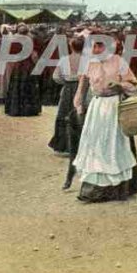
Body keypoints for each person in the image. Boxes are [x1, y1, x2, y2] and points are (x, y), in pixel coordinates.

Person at [72, 39, 137, 202]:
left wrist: (120, 84)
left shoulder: (119, 61)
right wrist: (78, 104)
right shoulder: (88, 63)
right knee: (95, 145)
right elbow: (82, 86)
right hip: (97, 108)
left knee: (114, 145)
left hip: (115, 106)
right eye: (94, 46)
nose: (96, 49)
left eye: (100, 45)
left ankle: (117, 189)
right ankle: (93, 190)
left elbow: (133, 85)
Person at [50, 37, 84, 177]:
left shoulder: (64, 59)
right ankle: (80, 145)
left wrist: (65, 82)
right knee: (81, 115)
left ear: (71, 46)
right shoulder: (87, 60)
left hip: (68, 88)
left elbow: (56, 76)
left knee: (64, 115)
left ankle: (63, 145)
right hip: (82, 88)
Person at [4, 24, 42, 116]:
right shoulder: (30, 40)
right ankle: (28, 110)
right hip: (28, 66)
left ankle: (14, 109)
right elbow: (34, 55)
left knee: (16, 87)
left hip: (17, 66)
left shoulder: (13, 41)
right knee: (28, 87)